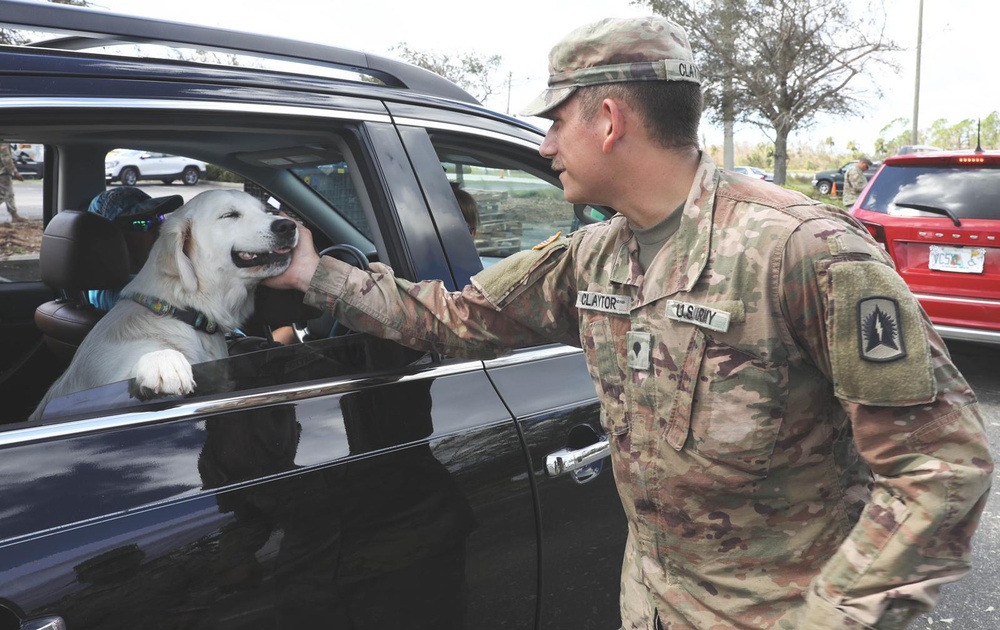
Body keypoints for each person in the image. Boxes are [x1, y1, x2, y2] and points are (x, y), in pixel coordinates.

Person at [265, 17, 992, 629]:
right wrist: (315, 276)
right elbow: (458, 319)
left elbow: (943, 467)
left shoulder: (802, 250)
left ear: (608, 120)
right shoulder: (594, 256)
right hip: (648, 607)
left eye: (554, 120)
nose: (545, 145)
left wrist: (836, 617)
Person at [86, 186, 184, 310]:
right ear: (110, 238)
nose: (160, 228)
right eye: (142, 223)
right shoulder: (130, 295)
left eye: (159, 218)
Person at [1, 143, 26, 223]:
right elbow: (6, 159)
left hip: (3, 172)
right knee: (3, 195)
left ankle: (14, 215)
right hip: (3, 173)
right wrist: (15, 172)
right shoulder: (3, 142)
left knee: (9, 195)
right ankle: (14, 215)